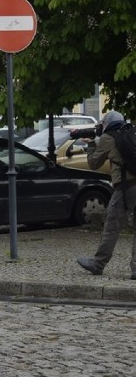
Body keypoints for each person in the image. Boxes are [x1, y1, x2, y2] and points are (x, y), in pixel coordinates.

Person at [76, 110, 136, 280]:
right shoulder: (133, 133)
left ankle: (98, 264)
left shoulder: (107, 138)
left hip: (125, 187)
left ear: (107, 124)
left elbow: (94, 163)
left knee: (112, 226)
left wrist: (91, 145)